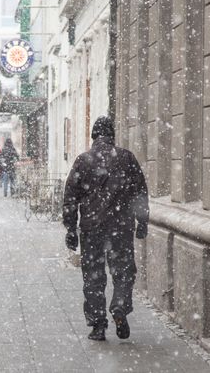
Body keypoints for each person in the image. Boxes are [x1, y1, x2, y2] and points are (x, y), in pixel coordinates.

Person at [62, 116, 149, 341]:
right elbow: (140, 192)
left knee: (93, 277)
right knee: (124, 273)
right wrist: (143, 221)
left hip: (92, 228)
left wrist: (70, 229)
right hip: (121, 227)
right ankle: (119, 307)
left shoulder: (83, 160)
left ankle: (98, 325)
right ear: (112, 135)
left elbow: (70, 197)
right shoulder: (127, 158)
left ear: (93, 136)